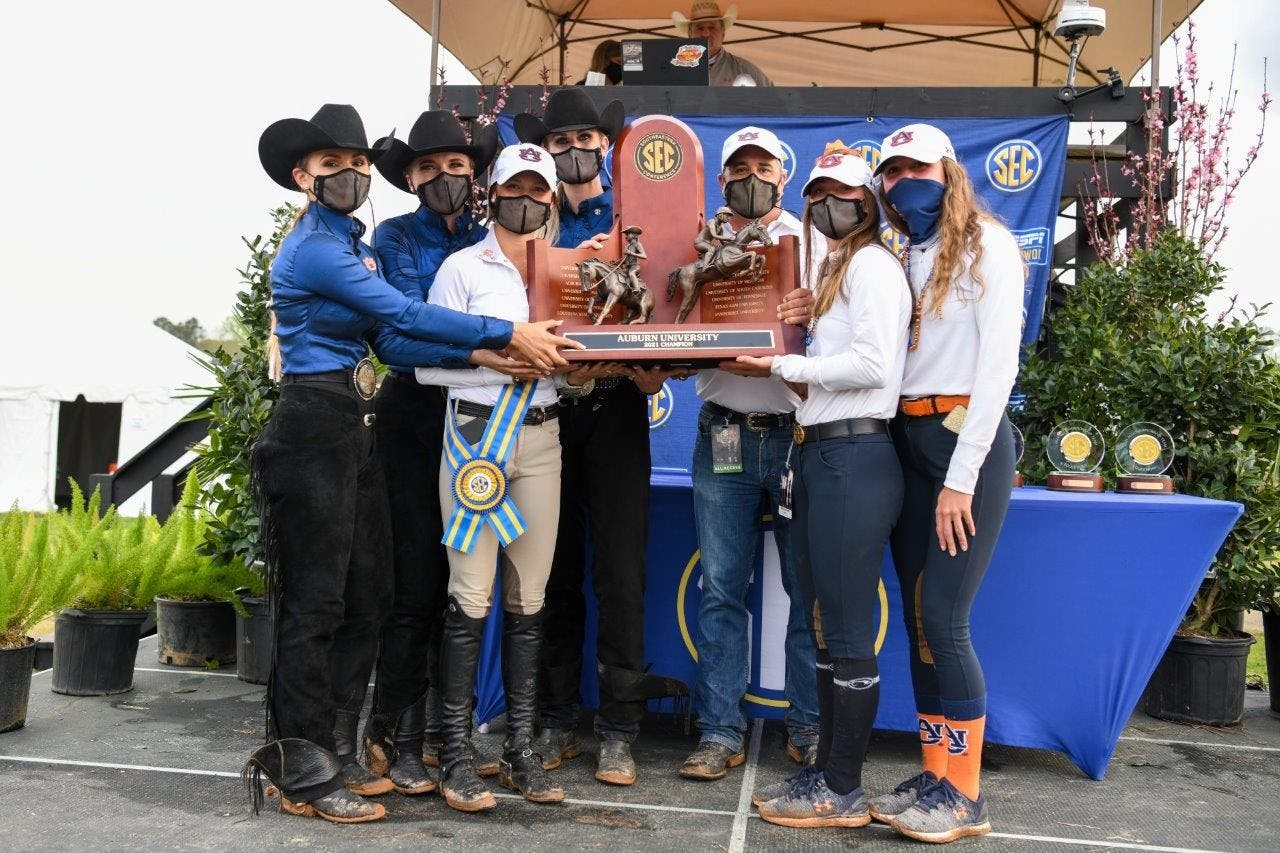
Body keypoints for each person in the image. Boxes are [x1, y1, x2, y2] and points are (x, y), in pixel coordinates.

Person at [243, 105, 574, 824]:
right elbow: (399, 319)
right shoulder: (320, 249)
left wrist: (485, 349)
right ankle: (298, 764)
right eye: (333, 165)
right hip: (313, 420)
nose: (351, 174)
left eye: (358, 162)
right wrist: (502, 334)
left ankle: (344, 746)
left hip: (354, 419)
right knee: (316, 605)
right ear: (303, 176)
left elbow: (389, 330)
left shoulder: (355, 242)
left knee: (368, 596)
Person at [515, 88, 689, 787]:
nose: (573, 151)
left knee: (622, 570)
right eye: (560, 143)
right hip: (550, 408)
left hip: (617, 408)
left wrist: (654, 370)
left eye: (585, 140)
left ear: (606, 148)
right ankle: (557, 717)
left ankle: (619, 729)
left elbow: (669, 310)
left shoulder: (636, 218)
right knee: (551, 570)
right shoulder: (527, 220)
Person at [416, 142, 594, 812]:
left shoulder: (570, 271)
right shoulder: (463, 268)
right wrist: (501, 363)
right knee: (470, 591)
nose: (528, 197)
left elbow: (578, 353)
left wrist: (577, 370)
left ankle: (521, 750)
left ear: (551, 199)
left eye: (538, 189)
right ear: (492, 192)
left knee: (532, 593)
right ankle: (456, 753)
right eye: (514, 186)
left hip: (543, 436)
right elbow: (426, 364)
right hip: (473, 439)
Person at [736, 149, 910, 828]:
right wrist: (787, 363)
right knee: (823, 625)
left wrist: (780, 359)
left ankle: (843, 784)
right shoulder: (837, 267)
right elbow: (823, 374)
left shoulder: (872, 265)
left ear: (868, 198)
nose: (828, 202)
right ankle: (826, 772)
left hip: (855, 456)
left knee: (844, 628)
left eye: (843, 191)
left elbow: (871, 364)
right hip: (819, 453)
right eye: (818, 192)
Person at [868, 123, 1023, 844]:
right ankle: (937, 776)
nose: (905, 183)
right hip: (909, 438)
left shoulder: (990, 244)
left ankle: (967, 795)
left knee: (947, 618)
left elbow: (996, 374)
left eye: (916, 168)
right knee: (920, 621)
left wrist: (961, 481)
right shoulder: (906, 253)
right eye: (892, 174)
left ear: (949, 170)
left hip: (967, 446)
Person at [360, 110, 505, 796]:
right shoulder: (392, 239)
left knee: (466, 586)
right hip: (414, 421)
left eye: (456, 164)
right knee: (415, 581)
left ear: (474, 171)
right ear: (411, 177)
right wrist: (484, 345)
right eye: (429, 167)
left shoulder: (490, 239)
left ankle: (450, 731)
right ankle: (393, 732)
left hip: (482, 422)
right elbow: (395, 339)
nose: (444, 176)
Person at [679, 125, 820, 782]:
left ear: (782, 177)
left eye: (764, 166)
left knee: (805, 589)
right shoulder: (696, 242)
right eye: (740, 167)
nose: (752, 176)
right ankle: (718, 730)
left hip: (796, 430)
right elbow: (670, 323)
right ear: (722, 177)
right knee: (722, 589)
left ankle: (810, 725)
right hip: (727, 430)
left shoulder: (815, 243)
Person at [671, 1, 772, 87]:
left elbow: (776, 100)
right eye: (700, 28)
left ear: (723, 33)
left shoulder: (743, 69)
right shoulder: (674, 70)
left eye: (712, 27)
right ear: (690, 34)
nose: (706, 33)